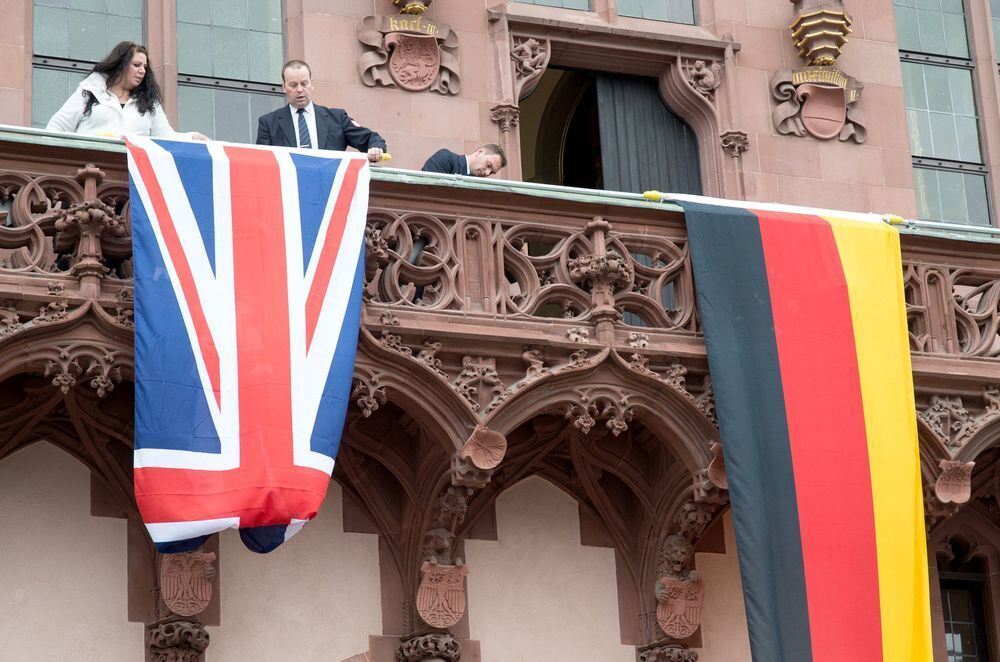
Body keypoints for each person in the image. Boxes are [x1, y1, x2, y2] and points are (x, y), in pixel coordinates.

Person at [46, 41, 208, 141]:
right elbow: (58, 126)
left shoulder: (149, 102)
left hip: (132, 174)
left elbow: (165, 136)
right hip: (89, 170)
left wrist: (190, 137)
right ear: (121, 64)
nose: (143, 71)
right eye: (137, 65)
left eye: (145, 67)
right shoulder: (90, 91)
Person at [256, 60, 387, 162]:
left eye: (304, 83)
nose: (300, 89)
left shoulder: (337, 118)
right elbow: (261, 161)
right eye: (293, 85)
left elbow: (370, 138)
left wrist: (376, 148)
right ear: (284, 87)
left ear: (311, 84)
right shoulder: (268, 123)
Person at [421, 144, 506, 177]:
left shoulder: (478, 186)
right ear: (480, 152)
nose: (486, 173)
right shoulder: (445, 158)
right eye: (488, 165)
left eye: (491, 172)